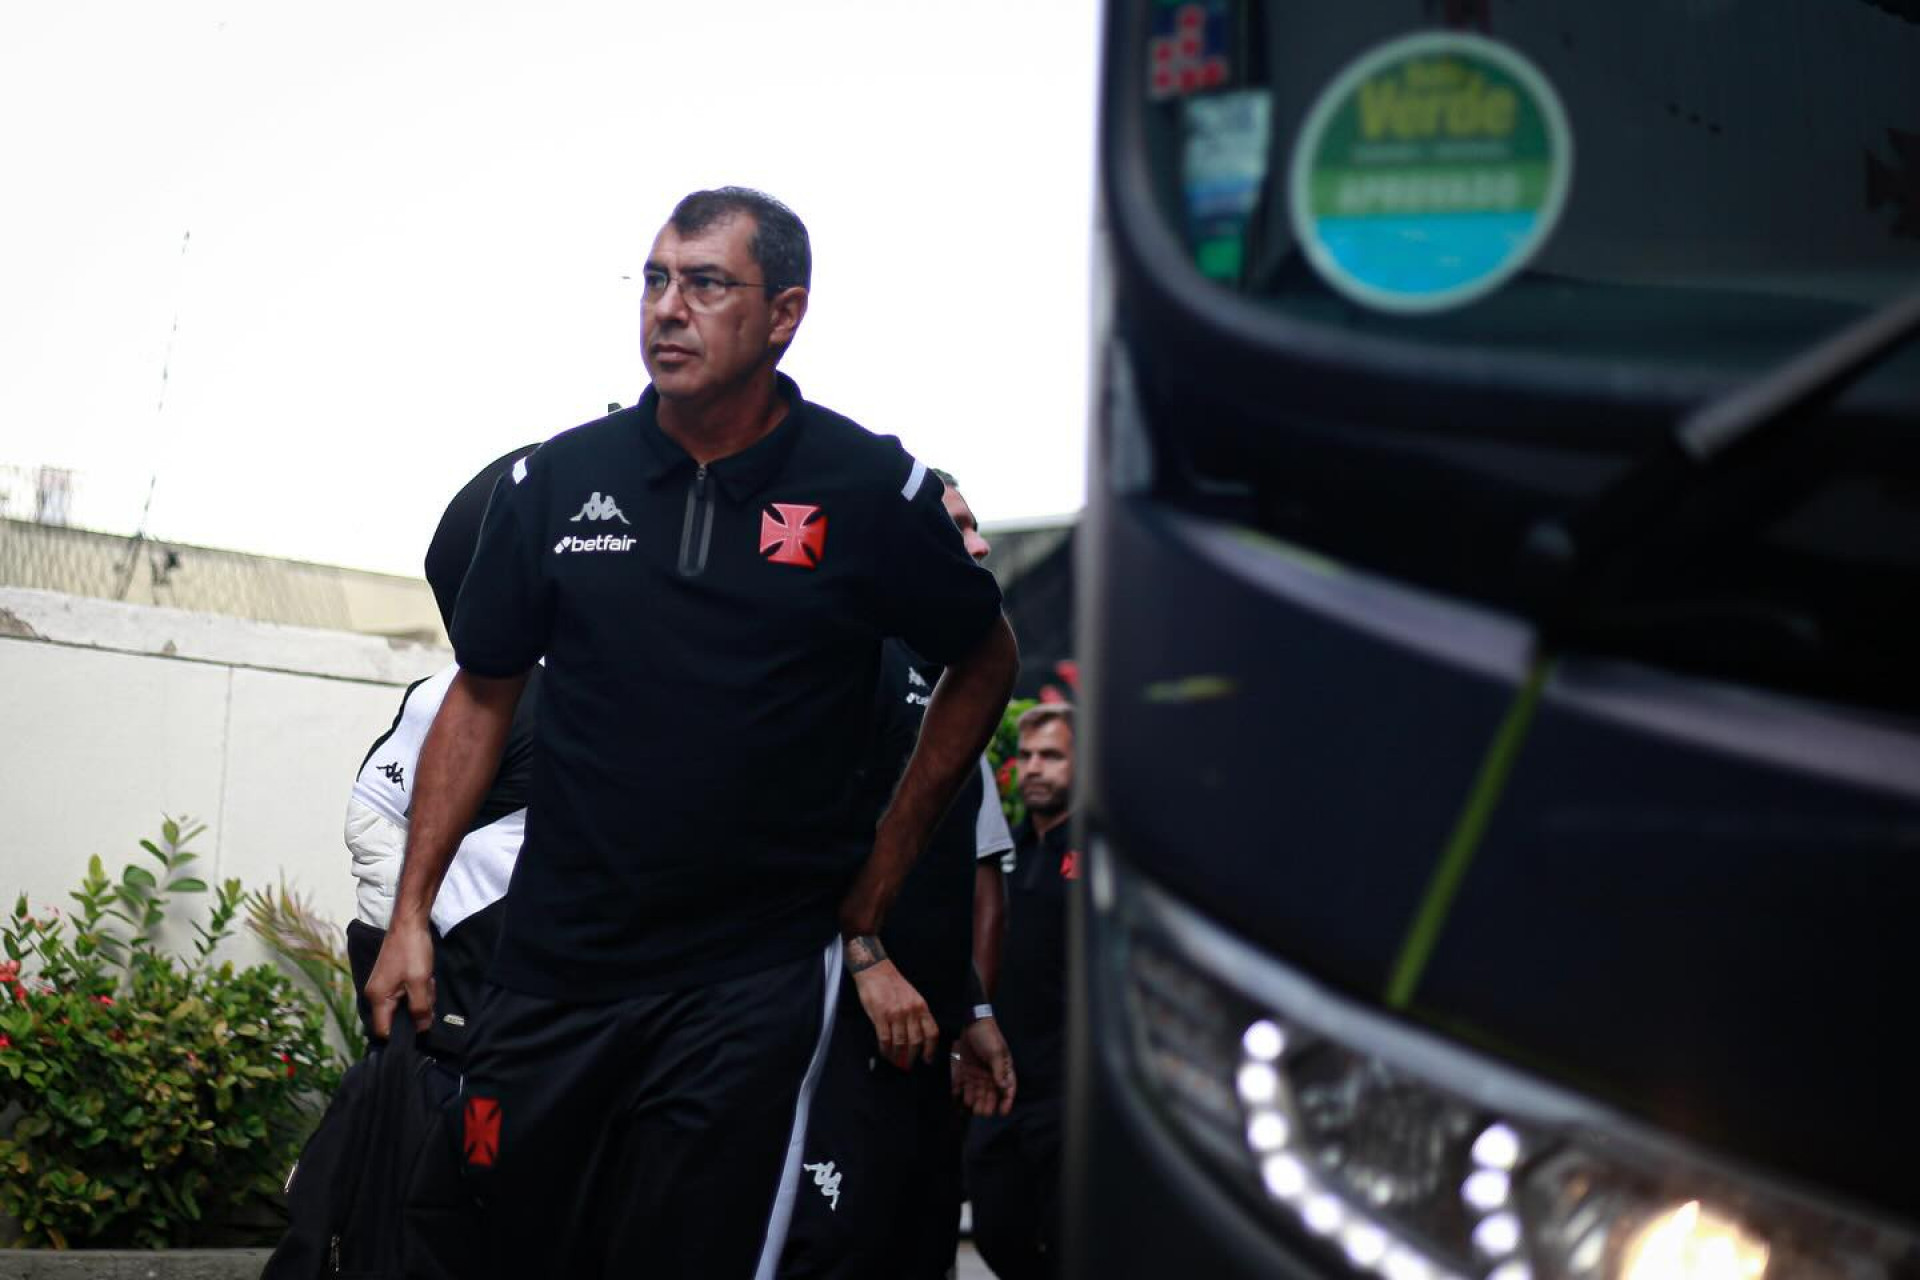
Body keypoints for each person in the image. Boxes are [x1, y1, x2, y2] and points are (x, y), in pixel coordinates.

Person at [362, 187, 1019, 1279]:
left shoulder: (864, 487)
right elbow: (481, 696)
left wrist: (880, 878)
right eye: (657, 279)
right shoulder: (557, 480)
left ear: (784, 314)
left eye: (707, 283)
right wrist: (409, 917)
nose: (668, 308)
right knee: (492, 1241)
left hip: (747, 985)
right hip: (553, 966)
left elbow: (984, 655)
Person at [263, 444, 540, 1280]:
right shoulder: (456, 691)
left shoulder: (634, 694)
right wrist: (421, 936)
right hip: (450, 1038)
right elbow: (372, 817)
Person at [780, 471, 1017, 1280]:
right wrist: (865, 958)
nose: (980, 546)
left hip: (923, 1041)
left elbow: (941, 876)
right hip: (838, 1030)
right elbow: (799, 844)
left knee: (920, 1250)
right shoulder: (856, 660)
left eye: (978, 526)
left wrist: (970, 1007)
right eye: (959, 527)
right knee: (834, 1253)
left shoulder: (958, 679)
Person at [965, 703, 1077, 1280]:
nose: (1034, 768)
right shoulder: (1003, 852)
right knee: (996, 1232)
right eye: (1027, 756)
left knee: (1070, 1244)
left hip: (1068, 1095)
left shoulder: (1097, 857)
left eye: (1051, 756)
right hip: (1001, 1085)